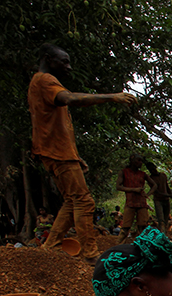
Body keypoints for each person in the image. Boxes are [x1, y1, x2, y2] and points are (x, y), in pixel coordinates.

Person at [28, 44, 136, 264]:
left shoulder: (37, 83)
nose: (68, 67)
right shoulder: (45, 81)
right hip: (57, 152)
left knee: (71, 200)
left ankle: (52, 245)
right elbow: (71, 99)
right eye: (64, 61)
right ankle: (90, 253)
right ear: (49, 59)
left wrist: (75, 155)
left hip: (58, 152)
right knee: (84, 201)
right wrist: (112, 97)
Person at [116, 154, 156, 242]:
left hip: (142, 203)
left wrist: (148, 194)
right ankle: (117, 247)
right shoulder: (124, 172)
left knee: (143, 227)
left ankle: (143, 247)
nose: (140, 163)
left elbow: (154, 185)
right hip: (130, 203)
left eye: (141, 161)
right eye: (138, 160)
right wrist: (134, 190)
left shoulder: (143, 174)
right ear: (132, 160)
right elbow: (118, 186)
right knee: (125, 228)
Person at [144, 161, 172, 234]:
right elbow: (156, 191)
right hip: (158, 200)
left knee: (165, 220)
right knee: (161, 220)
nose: (153, 171)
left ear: (155, 167)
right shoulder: (151, 179)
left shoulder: (163, 175)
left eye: (153, 169)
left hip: (166, 200)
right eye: (151, 170)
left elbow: (167, 188)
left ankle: (164, 235)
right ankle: (162, 234)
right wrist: (171, 195)